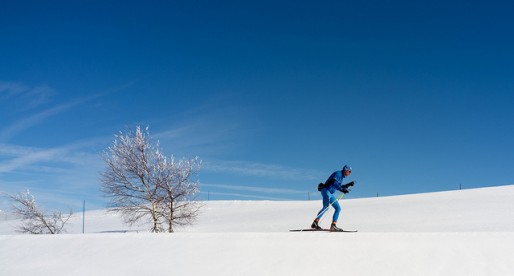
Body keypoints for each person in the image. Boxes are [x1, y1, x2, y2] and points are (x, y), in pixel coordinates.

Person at [311, 165, 354, 231]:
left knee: (338, 208)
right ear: (345, 170)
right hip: (326, 191)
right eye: (349, 171)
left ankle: (333, 225)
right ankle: (315, 222)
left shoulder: (341, 177)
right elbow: (334, 183)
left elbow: (339, 185)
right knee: (326, 207)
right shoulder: (338, 174)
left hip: (330, 193)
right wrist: (342, 189)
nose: (350, 173)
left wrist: (348, 185)